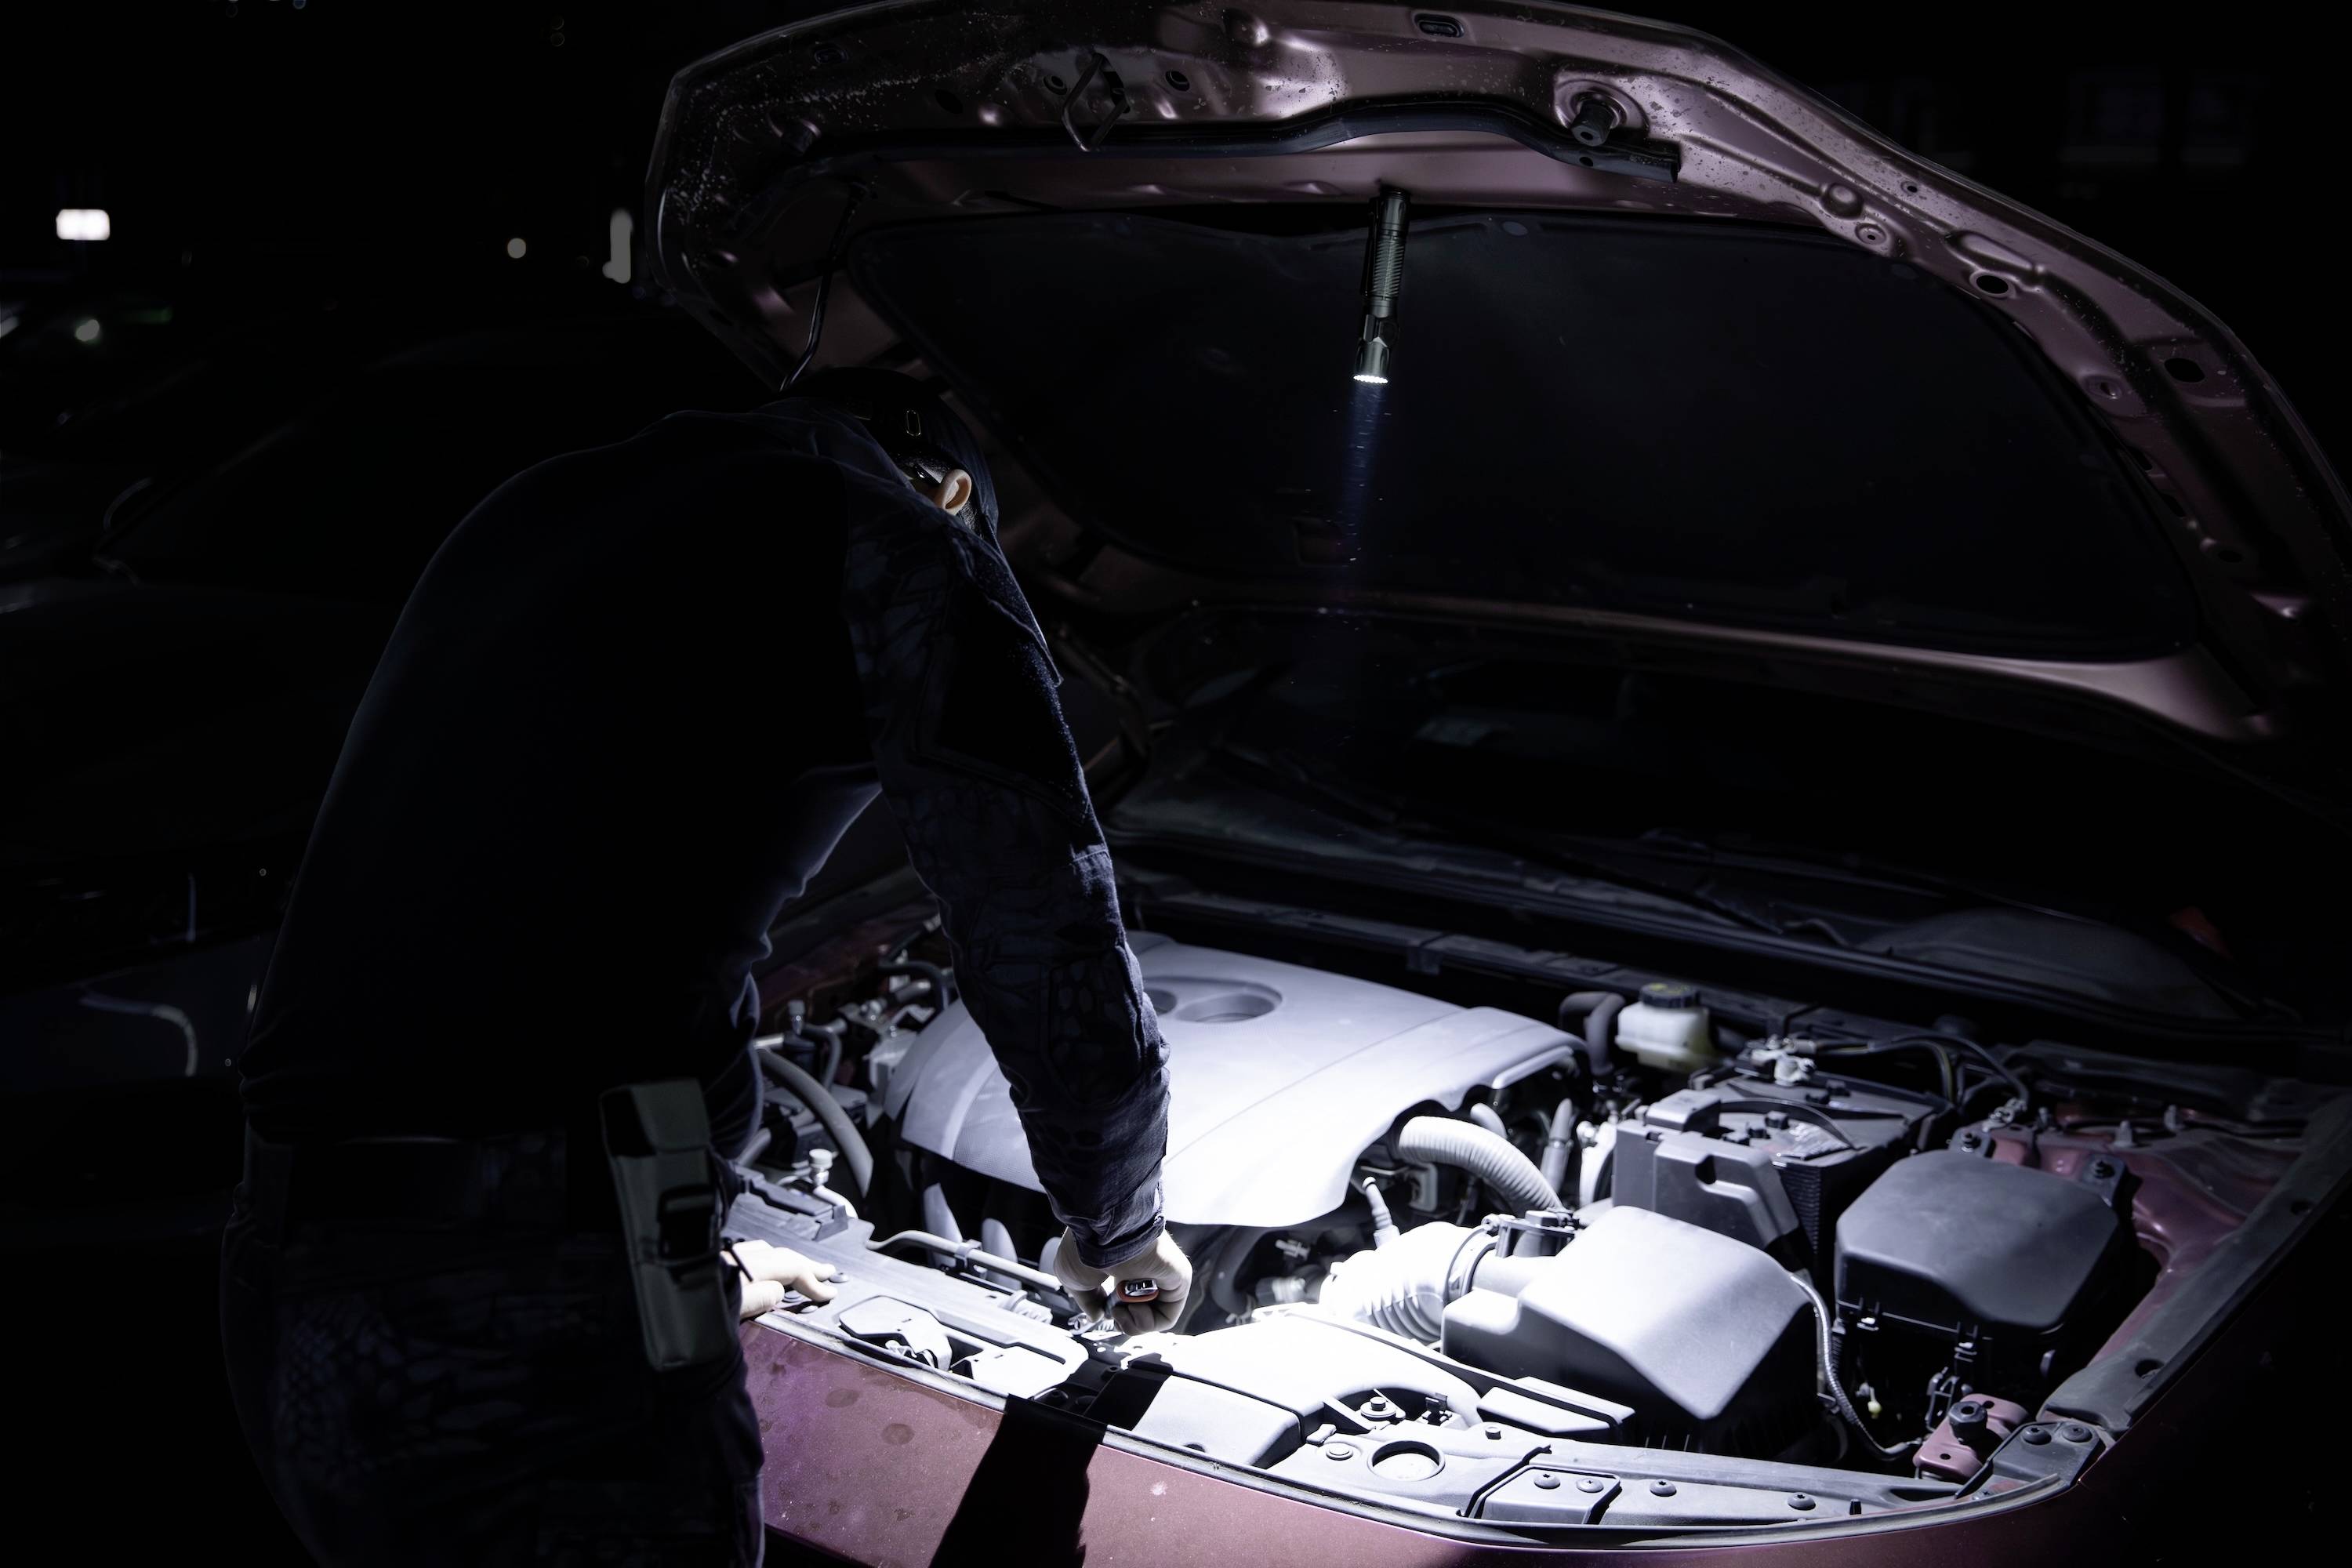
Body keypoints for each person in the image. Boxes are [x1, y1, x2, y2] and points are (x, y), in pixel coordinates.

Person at [221, 367, 1190, 1564]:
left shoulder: (543, 504)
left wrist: (702, 1274)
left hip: (295, 1269)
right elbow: (1051, 944)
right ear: (947, 486)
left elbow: (551, 892)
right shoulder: (892, 544)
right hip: (525, 1322)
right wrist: (1118, 1227)